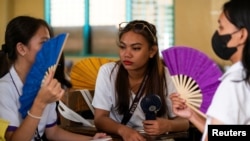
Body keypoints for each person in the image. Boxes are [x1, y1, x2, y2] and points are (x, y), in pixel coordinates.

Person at [0, 16, 108, 141]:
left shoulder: (44, 83)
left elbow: (53, 132)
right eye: (44, 43)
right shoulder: (4, 89)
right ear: (22, 49)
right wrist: (40, 102)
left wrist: (91, 140)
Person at [92, 20, 189, 141]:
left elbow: (184, 121)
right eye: (122, 47)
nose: (126, 54)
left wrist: (168, 125)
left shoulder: (165, 75)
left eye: (136, 48)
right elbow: (100, 119)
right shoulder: (108, 72)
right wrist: (123, 130)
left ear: (152, 51)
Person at [170, 0, 250, 141]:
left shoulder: (234, 83)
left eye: (221, 27)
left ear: (242, 35)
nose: (217, 33)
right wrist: (192, 115)